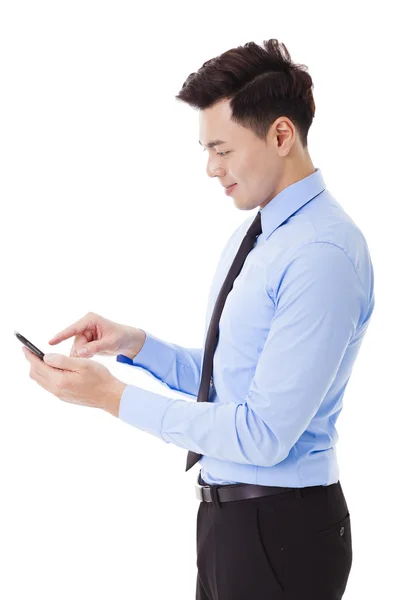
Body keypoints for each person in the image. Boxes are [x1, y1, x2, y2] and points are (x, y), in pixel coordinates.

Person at [43, 38, 375, 599]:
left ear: (281, 135)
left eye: (221, 149)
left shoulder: (323, 255)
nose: (210, 168)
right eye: (205, 149)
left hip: (282, 533)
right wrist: (136, 345)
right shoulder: (265, 232)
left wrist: (112, 398)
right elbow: (234, 378)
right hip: (232, 523)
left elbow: (264, 433)